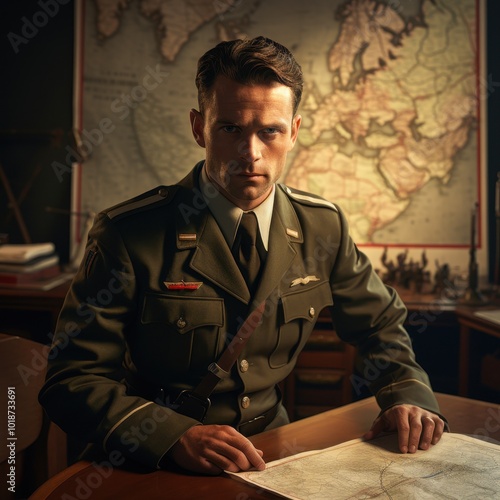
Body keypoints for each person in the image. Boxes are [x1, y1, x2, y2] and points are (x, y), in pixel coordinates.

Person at [39, 36, 446, 475]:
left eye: (269, 131)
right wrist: (172, 435)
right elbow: (71, 379)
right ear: (199, 128)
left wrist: (405, 393)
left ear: (293, 132)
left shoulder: (322, 227)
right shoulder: (128, 234)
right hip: (155, 459)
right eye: (230, 128)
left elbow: (380, 326)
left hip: (273, 452)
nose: (250, 154)